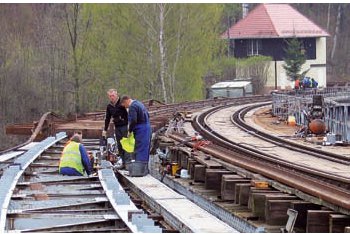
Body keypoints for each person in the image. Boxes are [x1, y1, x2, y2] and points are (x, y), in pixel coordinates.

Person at [120, 95, 151, 172]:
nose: (125, 107)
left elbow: (133, 120)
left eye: (125, 105)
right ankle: (145, 169)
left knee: (140, 148)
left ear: (126, 101)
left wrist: (130, 131)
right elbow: (148, 115)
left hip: (141, 129)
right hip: (147, 127)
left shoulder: (132, 107)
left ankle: (139, 170)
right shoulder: (139, 103)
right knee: (145, 148)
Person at [103, 89, 129, 169]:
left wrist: (130, 126)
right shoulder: (109, 106)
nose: (112, 97)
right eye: (110, 96)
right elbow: (107, 118)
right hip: (117, 127)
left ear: (116, 95)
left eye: (113, 96)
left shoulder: (122, 103)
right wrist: (105, 129)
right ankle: (123, 162)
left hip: (125, 126)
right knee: (120, 145)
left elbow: (129, 112)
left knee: (126, 145)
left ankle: (128, 163)